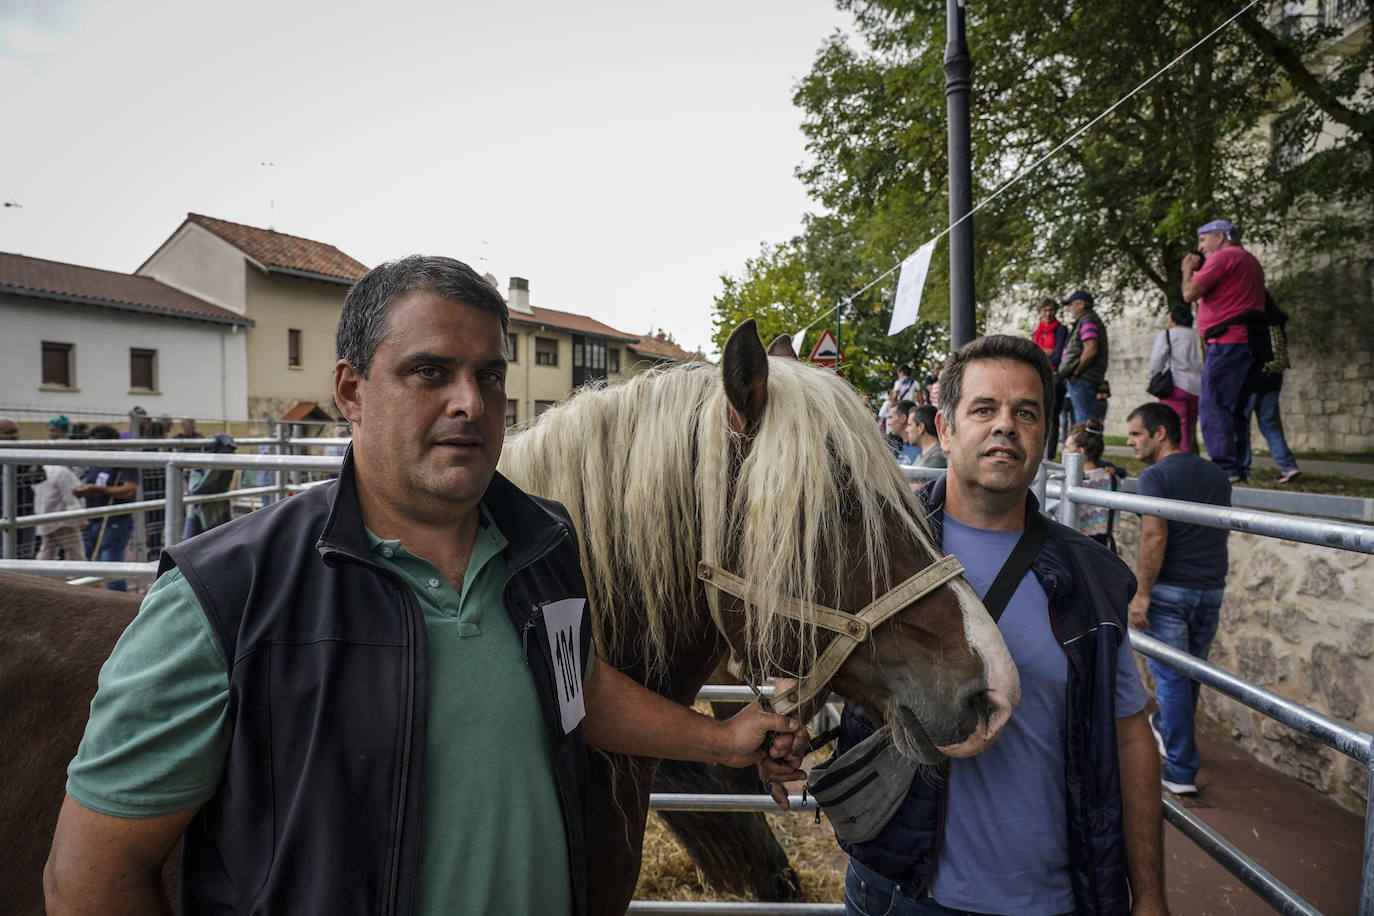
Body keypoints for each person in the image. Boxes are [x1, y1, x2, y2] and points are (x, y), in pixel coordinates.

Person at [45, 255, 805, 915]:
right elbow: (89, 880)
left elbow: (575, 688)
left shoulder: (545, 545)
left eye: (490, 376)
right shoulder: (225, 593)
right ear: (351, 390)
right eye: (430, 372)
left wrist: (723, 739)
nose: (470, 402)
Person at [836, 335, 1165, 915]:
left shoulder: (1092, 579)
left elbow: (1131, 733)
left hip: (1052, 897)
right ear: (945, 428)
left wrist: (1151, 896)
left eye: (1026, 413)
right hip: (902, 891)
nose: (1005, 426)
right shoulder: (875, 552)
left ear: (1042, 435)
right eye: (984, 409)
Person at [1126, 402, 1232, 797]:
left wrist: (1143, 594)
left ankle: (1181, 769)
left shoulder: (1155, 476)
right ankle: (1171, 735)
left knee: (1171, 678)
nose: (1132, 442)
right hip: (1211, 588)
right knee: (1191, 676)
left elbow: (1155, 536)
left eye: (1137, 434)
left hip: (1170, 590)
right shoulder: (1216, 475)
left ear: (1161, 434)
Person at [1182, 218, 1266, 481]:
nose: (1201, 247)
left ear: (1220, 236)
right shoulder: (1249, 260)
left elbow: (1189, 293)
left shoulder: (1223, 257)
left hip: (1228, 342)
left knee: (1214, 403)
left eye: (1203, 239)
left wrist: (1187, 271)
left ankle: (1223, 466)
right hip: (1251, 343)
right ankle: (1239, 466)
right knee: (1236, 407)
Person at [1241, 292, 1301, 484]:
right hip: (1274, 379)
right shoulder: (1278, 323)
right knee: (1270, 425)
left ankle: (1243, 469)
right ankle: (1288, 466)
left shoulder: (1255, 322)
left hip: (1254, 378)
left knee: (1242, 424)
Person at [71, 424, 140, 591]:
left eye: (95, 444)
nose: (92, 448)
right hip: (95, 521)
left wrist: (96, 489)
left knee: (111, 569)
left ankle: (120, 610)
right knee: (94, 566)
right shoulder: (97, 461)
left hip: (115, 522)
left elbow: (130, 490)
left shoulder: (123, 460)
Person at [1148, 305, 1204, 453]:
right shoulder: (1197, 335)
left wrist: (1153, 375)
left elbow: (1157, 360)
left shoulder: (1168, 335)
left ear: (1173, 319)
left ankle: (1179, 458)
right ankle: (1188, 456)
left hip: (1175, 385)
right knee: (1188, 426)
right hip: (1197, 387)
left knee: (1174, 426)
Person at [1055, 290, 1110, 424]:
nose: (1069, 309)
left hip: (1083, 379)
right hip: (1084, 379)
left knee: (1084, 422)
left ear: (1081, 304)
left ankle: (1085, 445)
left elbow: (1091, 349)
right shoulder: (1086, 320)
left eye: (1071, 305)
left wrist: (1076, 372)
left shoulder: (1087, 321)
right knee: (1085, 420)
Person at [1062, 419, 1118, 550]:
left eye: (1066, 447)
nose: (1063, 451)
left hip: (1073, 549)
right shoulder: (1112, 478)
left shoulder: (1067, 482)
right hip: (1104, 549)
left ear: (1080, 452)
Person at [0, 416, 46, 560]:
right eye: (8, 433)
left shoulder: (22, 451)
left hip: (23, 512)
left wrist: (8, 479)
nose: (14, 436)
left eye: (15, 432)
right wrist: (23, 475)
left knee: (24, 555)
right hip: (3, 512)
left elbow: (40, 475)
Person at [181, 433, 239, 539]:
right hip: (209, 504)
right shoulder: (206, 470)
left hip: (207, 504)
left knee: (200, 541)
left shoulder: (205, 470)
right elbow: (196, 488)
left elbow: (195, 488)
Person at [1032, 297, 1069, 458]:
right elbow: (1032, 355)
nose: (1048, 313)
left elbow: (1057, 356)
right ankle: (1037, 453)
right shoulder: (1037, 332)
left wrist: (1041, 353)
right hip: (1037, 375)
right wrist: (1045, 352)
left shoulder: (1061, 330)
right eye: (1045, 310)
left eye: (1051, 310)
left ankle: (1050, 455)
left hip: (1054, 377)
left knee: (1053, 417)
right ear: (1040, 313)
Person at [34, 462, 85, 561]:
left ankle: (37, 572)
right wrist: (80, 517)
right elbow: (70, 497)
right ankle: (78, 574)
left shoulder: (43, 470)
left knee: (48, 549)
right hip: (63, 519)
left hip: (45, 516)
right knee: (75, 551)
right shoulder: (61, 472)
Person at [901, 405, 945, 469]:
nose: (906, 430)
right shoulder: (921, 456)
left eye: (909, 425)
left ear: (921, 428)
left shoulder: (938, 457)